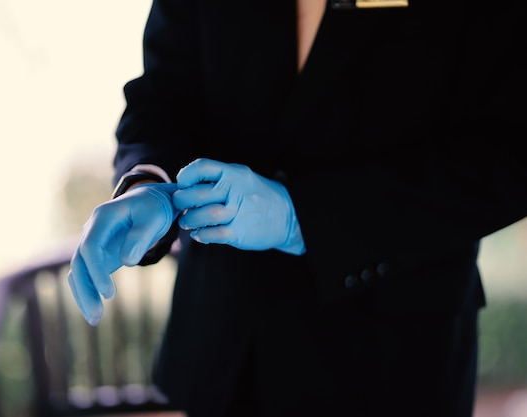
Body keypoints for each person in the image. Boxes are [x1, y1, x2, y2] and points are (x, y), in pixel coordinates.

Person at [67, 0, 527, 415]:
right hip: (220, 353)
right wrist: (150, 181)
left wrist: (303, 217)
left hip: (393, 366)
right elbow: (164, 95)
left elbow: (509, 150)